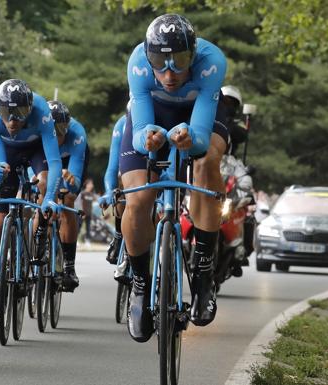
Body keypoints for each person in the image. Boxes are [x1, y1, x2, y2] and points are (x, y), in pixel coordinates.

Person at [122, 13, 228, 342]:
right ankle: (140, 285)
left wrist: (191, 140)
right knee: (138, 198)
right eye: (160, 63)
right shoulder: (137, 62)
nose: (169, 75)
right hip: (153, 113)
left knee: (206, 159)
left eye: (180, 62)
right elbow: (140, 129)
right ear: (148, 56)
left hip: (198, 114)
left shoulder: (212, 62)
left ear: (193, 55)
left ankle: (204, 270)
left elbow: (198, 133)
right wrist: (147, 139)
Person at [0, 79, 61, 324]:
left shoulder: (42, 113)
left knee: (44, 180)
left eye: (20, 115)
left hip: (35, 151)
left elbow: (55, 162)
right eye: (7, 115)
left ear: (30, 109)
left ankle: (41, 228)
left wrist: (49, 199)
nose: (13, 121)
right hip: (7, 153)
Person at [48, 100, 89, 292]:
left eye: (62, 131)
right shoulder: (39, 133)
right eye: (54, 132)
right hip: (46, 158)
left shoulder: (77, 133)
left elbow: (76, 182)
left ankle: (69, 266)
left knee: (67, 199)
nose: (58, 136)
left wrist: (71, 180)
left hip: (70, 160)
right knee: (35, 194)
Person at [100, 112, 127, 265]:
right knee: (120, 184)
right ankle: (118, 236)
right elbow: (112, 167)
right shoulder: (122, 124)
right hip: (132, 162)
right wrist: (109, 191)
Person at [220, 85, 247, 157]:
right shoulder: (209, 118)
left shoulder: (237, 123)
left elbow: (242, 135)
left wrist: (227, 123)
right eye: (225, 102)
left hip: (227, 162)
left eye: (232, 104)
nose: (228, 106)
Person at [79, 179, 95, 247]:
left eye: (92, 184)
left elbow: (92, 204)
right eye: (90, 184)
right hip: (83, 213)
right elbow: (79, 203)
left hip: (89, 214)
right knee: (79, 227)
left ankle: (87, 241)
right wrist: (82, 212)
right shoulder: (82, 193)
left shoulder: (92, 194)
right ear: (87, 185)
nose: (92, 185)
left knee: (88, 228)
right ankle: (77, 240)